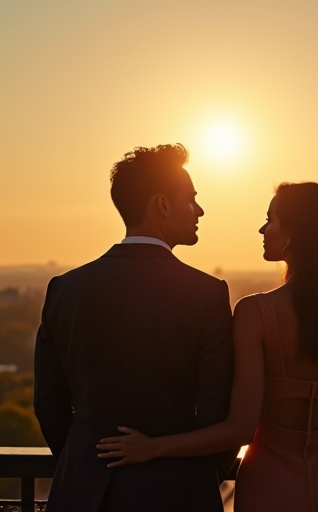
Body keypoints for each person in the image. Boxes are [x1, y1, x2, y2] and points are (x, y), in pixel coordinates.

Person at [98, 182, 318, 512]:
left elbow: (240, 428)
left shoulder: (255, 313)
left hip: (270, 485)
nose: (262, 228)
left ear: (293, 233)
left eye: (270, 219)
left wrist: (153, 447)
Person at [34, 144, 235, 512]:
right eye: (191, 198)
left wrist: (85, 460)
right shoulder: (207, 294)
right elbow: (217, 411)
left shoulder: (64, 289)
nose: (200, 210)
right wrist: (193, 471)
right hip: (179, 492)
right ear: (161, 204)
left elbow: (49, 403)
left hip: (83, 492)